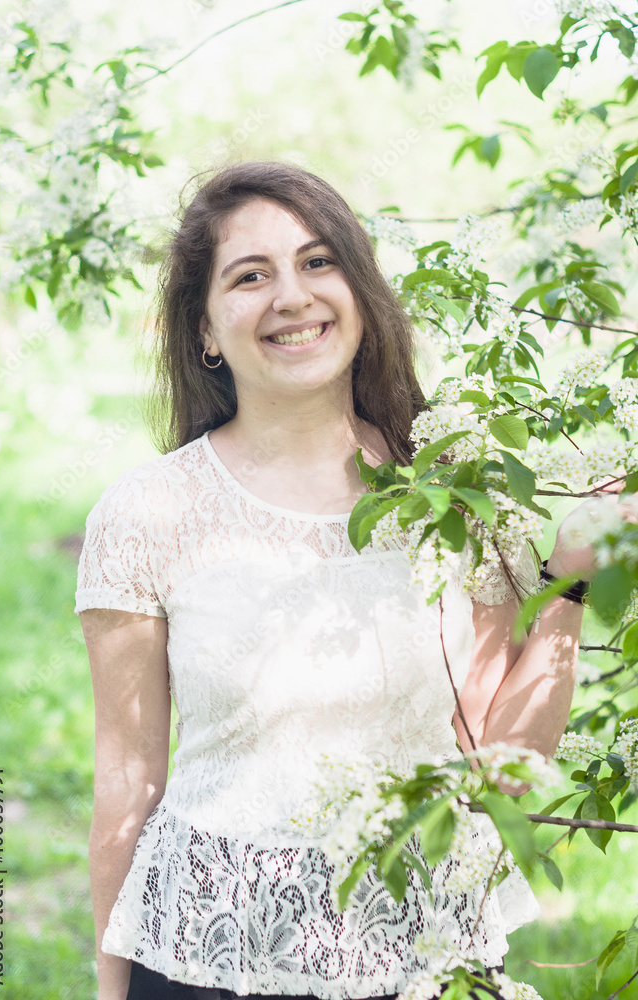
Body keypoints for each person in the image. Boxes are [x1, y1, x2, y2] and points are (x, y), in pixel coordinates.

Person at [75, 161, 632, 1000]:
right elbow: (128, 782)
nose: (292, 295)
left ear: (362, 295)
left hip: (421, 955)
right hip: (201, 957)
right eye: (250, 276)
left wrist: (569, 588)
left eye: (318, 261)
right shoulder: (148, 512)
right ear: (206, 332)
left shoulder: (454, 491)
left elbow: (502, 769)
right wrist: (109, 988)